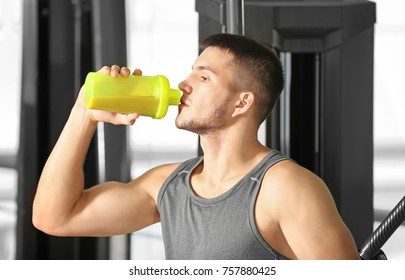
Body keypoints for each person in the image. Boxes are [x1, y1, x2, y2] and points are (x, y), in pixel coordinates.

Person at [32, 33, 360, 260]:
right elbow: (55, 218)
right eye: (191, 72)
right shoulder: (168, 185)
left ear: (241, 103)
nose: (183, 85)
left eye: (203, 78)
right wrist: (83, 114)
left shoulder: (286, 188)